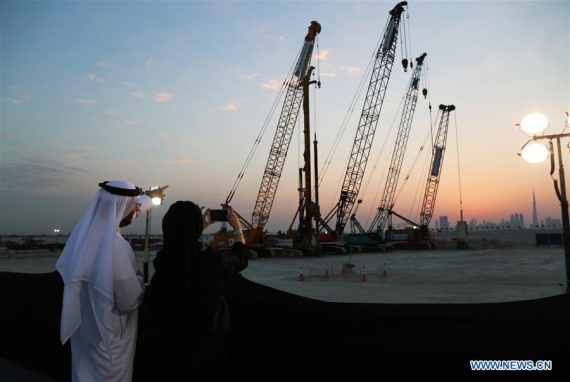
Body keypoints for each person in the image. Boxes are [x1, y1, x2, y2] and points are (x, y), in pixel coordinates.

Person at [55, 179, 168, 381]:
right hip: (111, 347)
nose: (136, 211)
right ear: (121, 209)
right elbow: (129, 301)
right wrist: (139, 280)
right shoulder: (117, 247)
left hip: (86, 340)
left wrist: (150, 197)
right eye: (133, 208)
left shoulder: (84, 237)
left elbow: (124, 212)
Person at [149, 201, 248, 381]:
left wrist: (194, 228)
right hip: (209, 349)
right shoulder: (211, 260)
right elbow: (240, 259)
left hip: (171, 349)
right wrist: (238, 229)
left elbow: (179, 245)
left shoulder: (161, 262)